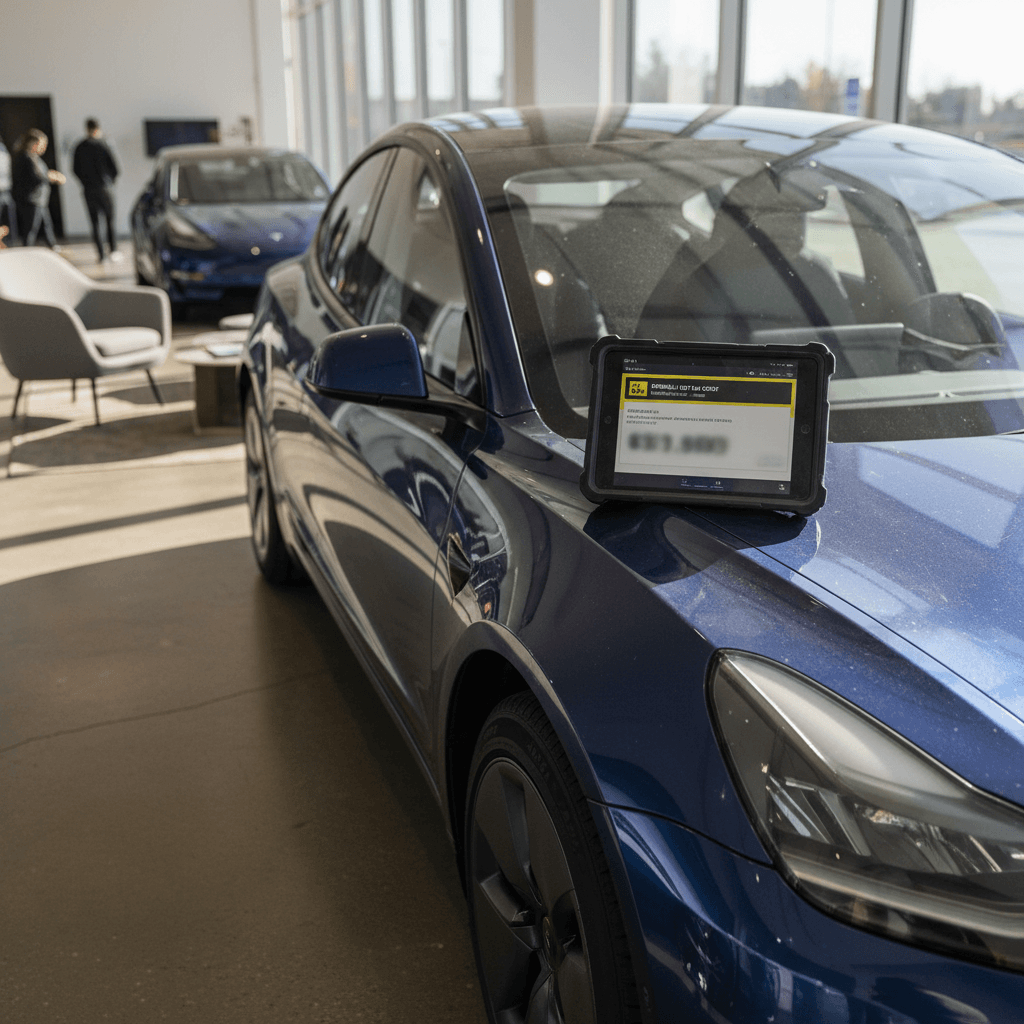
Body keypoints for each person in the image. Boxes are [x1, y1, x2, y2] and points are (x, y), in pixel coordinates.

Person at [72, 117, 120, 261]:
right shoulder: (105, 144)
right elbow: (115, 168)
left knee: (95, 222)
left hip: (88, 189)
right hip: (105, 187)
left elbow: (75, 169)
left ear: (86, 129)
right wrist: (110, 182)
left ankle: (101, 255)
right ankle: (113, 251)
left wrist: (84, 182)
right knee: (110, 220)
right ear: (98, 129)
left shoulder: (79, 146)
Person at [12, 129, 65, 249]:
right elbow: (35, 177)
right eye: (41, 144)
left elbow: (41, 174)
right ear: (33, 143)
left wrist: (50, 175)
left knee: (46, 226)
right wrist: (50, 177)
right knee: (31, 229)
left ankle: (53, 246)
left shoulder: (34, 157)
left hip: (39, 199)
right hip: (31, 200)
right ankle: (28, 250)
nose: (43, 147)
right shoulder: (25, 157)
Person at [0, 133, 16, 243]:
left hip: (5, 188)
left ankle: (10, 240)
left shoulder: (3, 150)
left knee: (9, 215)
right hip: (4, 188)